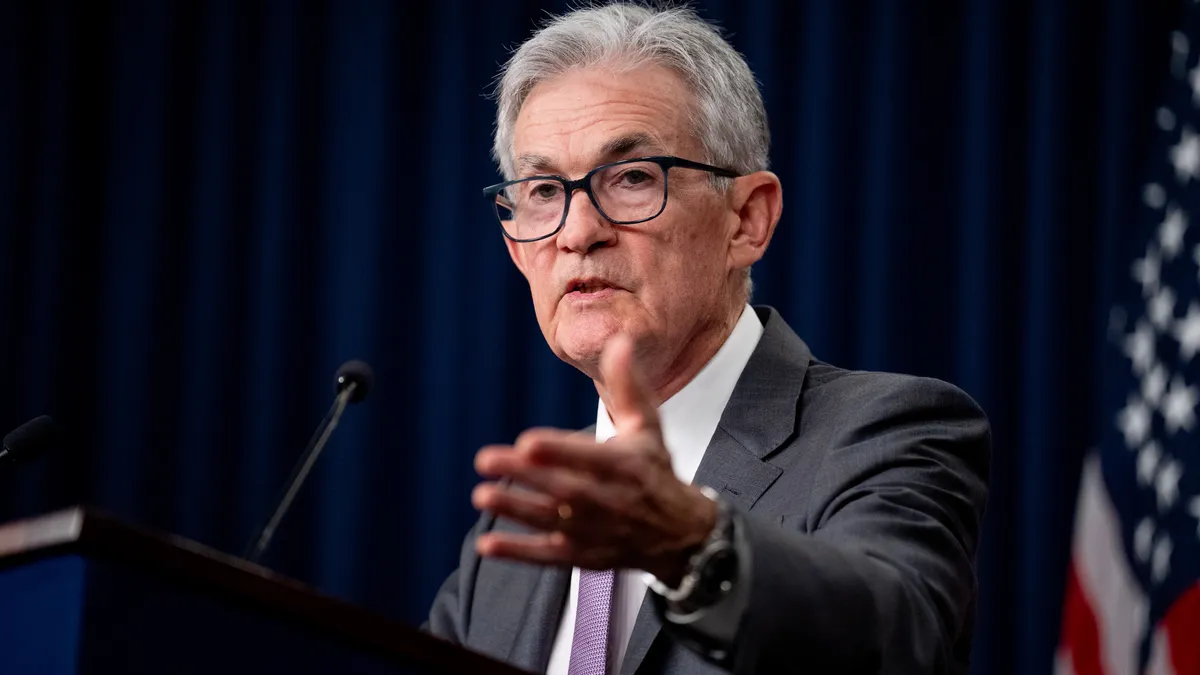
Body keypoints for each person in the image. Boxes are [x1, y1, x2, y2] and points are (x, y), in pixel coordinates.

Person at [424, 3, 991, 674]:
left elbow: (900, 638)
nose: (577, 232)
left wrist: (696, 545)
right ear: (517, 249)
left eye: (632, 178)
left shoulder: (887, 433)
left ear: (747, 220)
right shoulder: (513, 528)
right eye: (544, 190)